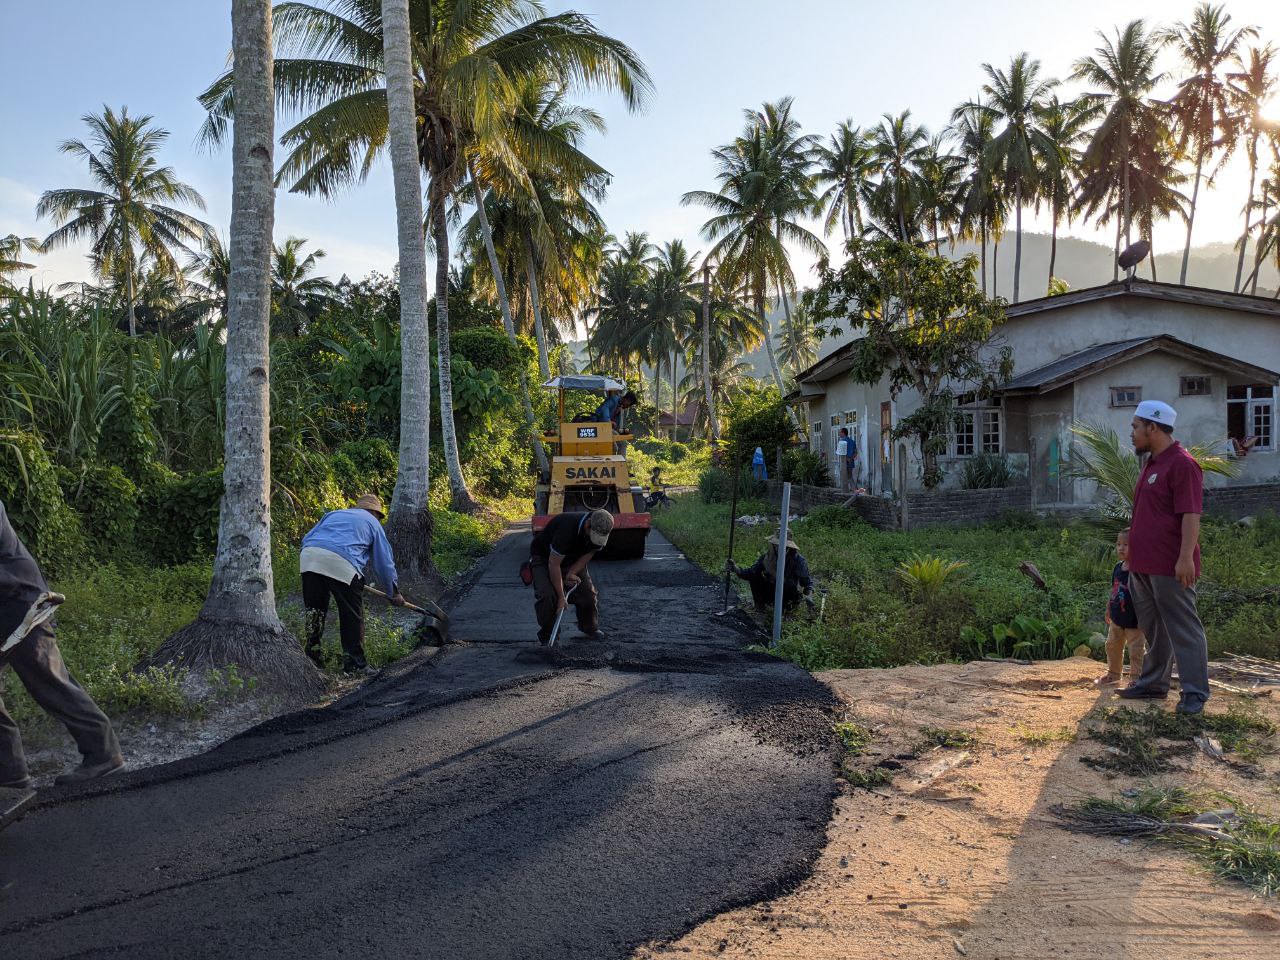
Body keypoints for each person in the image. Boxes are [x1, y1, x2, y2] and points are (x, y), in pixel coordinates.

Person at [0, 500, 123, 790]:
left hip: (20, 602)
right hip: (6, 603)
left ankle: (104, 754)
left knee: (49, 680)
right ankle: (10, 775)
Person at [1119, 400, 1210, 715]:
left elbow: (1191, 514)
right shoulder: (1152, 463)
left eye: (1135, 427)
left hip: (1171, 565)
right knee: (1154, 626)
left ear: (1152, 427)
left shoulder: (1183, 465)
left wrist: (1185, 558)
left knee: (1183, 627)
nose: (1132, 433)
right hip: (1142, 563)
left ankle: (1195, 693)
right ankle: (1154, 683)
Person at [299, 494, 405, 676]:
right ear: (374, 512)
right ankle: (356, 665)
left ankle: (312, 658)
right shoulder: (373, 523)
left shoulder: (334, 514)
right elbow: (384, 563)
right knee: (352, 615)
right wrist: (393, 592)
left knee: (315, 611)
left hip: (309, 557)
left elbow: (307, 538)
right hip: (342, 563)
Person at [529, 510, 614, 645]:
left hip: (572, 559)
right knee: (547, 595)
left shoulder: (601, 529)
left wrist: (572, 572)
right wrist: (561, 596)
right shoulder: (566, 530)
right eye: (592, 535)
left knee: (588, 594)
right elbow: (554, 564)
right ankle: (548, 636)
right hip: (545, 558)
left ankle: (589, 628)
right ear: (587, 525)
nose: (595, 541)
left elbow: (590, 552)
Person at [1095, 528, 1146, 687]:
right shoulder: (1118, 567)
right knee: (1112, 646)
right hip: (1117, 618)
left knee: (1136, 651)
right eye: (1118, 544)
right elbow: (1114, 590)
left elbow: (1146, 596)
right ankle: (1113, 675)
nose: (1121, 548)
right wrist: (1108, 608)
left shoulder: (1140, 570)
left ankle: (1137, 678)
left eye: (1126, 545)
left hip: (1135, 621)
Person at [729, 534, 814, 613]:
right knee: (755, 576)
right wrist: (735, 568)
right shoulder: (767, 557)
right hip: (770, 592)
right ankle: (760, 609)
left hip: (787, 595)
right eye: (776, 544)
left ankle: (787, 612)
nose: (778, 547)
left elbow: (807, 583)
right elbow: (751, 572)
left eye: (781, 545)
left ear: (788, 546)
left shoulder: (798, 560)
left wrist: (809, 597)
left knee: (789, 587)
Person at [836, 427, 859, 492]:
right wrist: (850, 459)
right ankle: (854, 490)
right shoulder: (852, 441)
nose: (839, 433)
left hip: (844, 462)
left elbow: (840, 453)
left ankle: (846, 491)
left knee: (844, 478)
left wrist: (847, 459)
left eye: (840, 432)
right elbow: (856, 452)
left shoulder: (841, 441)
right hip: (850, 462)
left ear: (843, 433)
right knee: (850, 476)